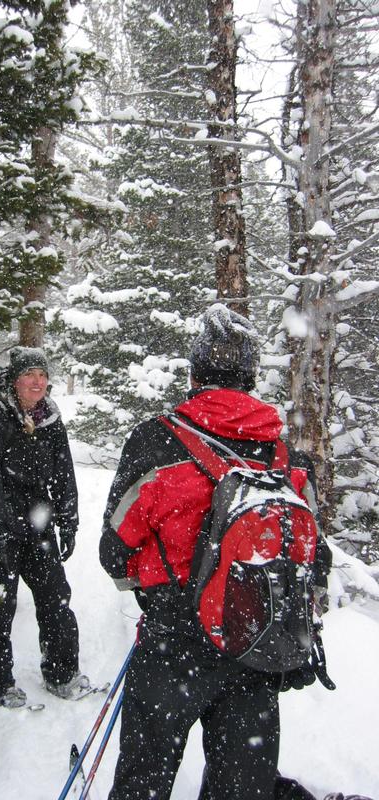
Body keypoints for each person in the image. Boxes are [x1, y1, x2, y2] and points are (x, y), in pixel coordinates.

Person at [100, 304, 332, 800]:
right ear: (251, 374)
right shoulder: (286, 456)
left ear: (195, 371)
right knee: (241, 786)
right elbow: (315, 558)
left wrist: (156, 585)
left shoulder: (156, 441)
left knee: (143, 778)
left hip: (173, 643)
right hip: (255, 642)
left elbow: (113, 551)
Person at [0, 346, 89, 708]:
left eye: (42, 375)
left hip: (38, 523)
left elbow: (64, 472)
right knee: (0, 606)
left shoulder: (49, 417)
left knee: (56, 598)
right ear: (15, 380)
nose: (37, 382)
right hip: (0, 526)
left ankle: (62, 674)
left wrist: (68, 521)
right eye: (29, 375)